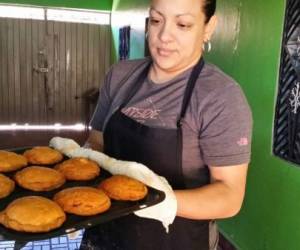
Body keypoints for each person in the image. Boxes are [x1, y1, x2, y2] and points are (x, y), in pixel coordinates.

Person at [80, 0, 252, 249]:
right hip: (104, 234)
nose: (163, 36)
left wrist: (153, 201)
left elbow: (229, 196)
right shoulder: (119, 76)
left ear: (208, 27)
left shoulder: (221, 97)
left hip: (175, 240)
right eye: (156, 20)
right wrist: (84, 173)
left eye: (183, 24)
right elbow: (96, 141)